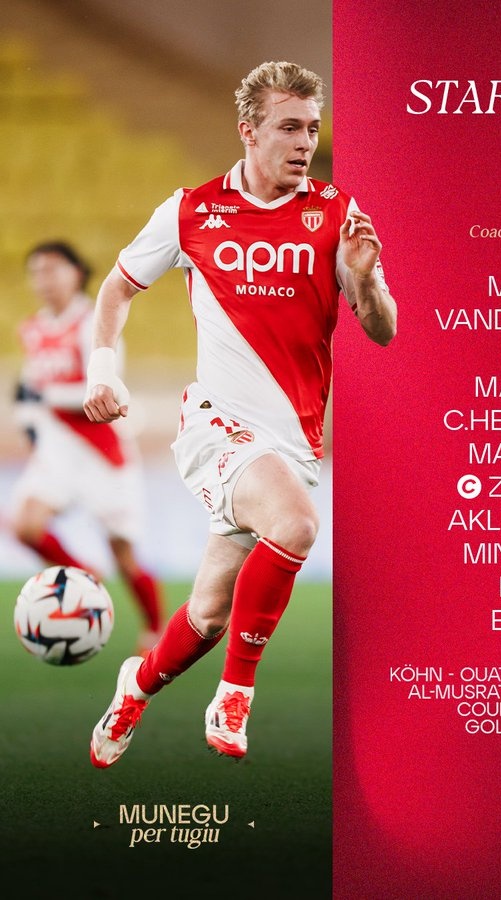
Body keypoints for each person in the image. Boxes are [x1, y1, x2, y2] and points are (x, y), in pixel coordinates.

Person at [84, 61, 397, 767]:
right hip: (217, 425)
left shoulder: (337, 214)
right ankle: (234, 696)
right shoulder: (190, 211)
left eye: (312, 128)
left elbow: (383, 330)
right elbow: (116, 291)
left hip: (292, 443)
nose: (305, 143)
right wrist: (102, 369)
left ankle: (135, 687)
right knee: (298, 525)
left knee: (208, 616)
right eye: (289, 127)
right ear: (248, 132)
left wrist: (365, 276)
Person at [11, 241, 166, 657]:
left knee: (125, 555)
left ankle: (155, 629)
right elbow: (29, 389)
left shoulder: (94, 322)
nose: (43, 279)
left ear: (77, 273)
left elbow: (103, 388)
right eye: (36, 272)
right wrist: (30, 421)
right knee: (25, 525)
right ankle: (85, 579)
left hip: (103, 453)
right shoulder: (33, 328)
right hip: (59, 451)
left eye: (53, 269)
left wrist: (46, 395)